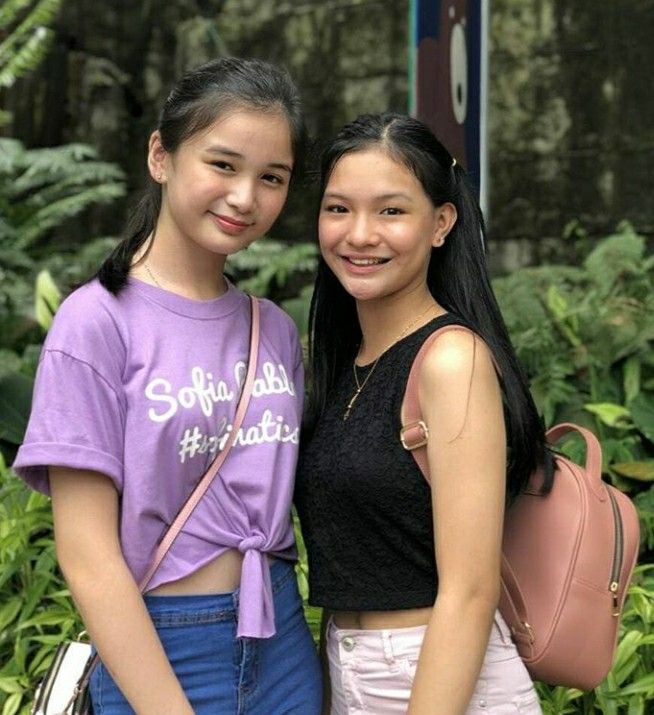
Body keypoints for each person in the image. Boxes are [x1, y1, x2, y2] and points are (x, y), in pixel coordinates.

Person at [14, 57, 321, 715]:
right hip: (160, 651)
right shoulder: (96, 322)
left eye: (273, 177)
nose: (246, 196)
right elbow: (88, 553)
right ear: (161, 155)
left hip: (283, 645)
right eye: (223, 164)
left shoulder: (272, 330)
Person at [294, 113, 550, 714]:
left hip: (440, 678)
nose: (359, 234)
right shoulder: (342, 363)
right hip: (351, 668)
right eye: (338, 209)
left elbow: (470, 589)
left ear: (440, 223)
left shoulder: (450, 359)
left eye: (390, 211)